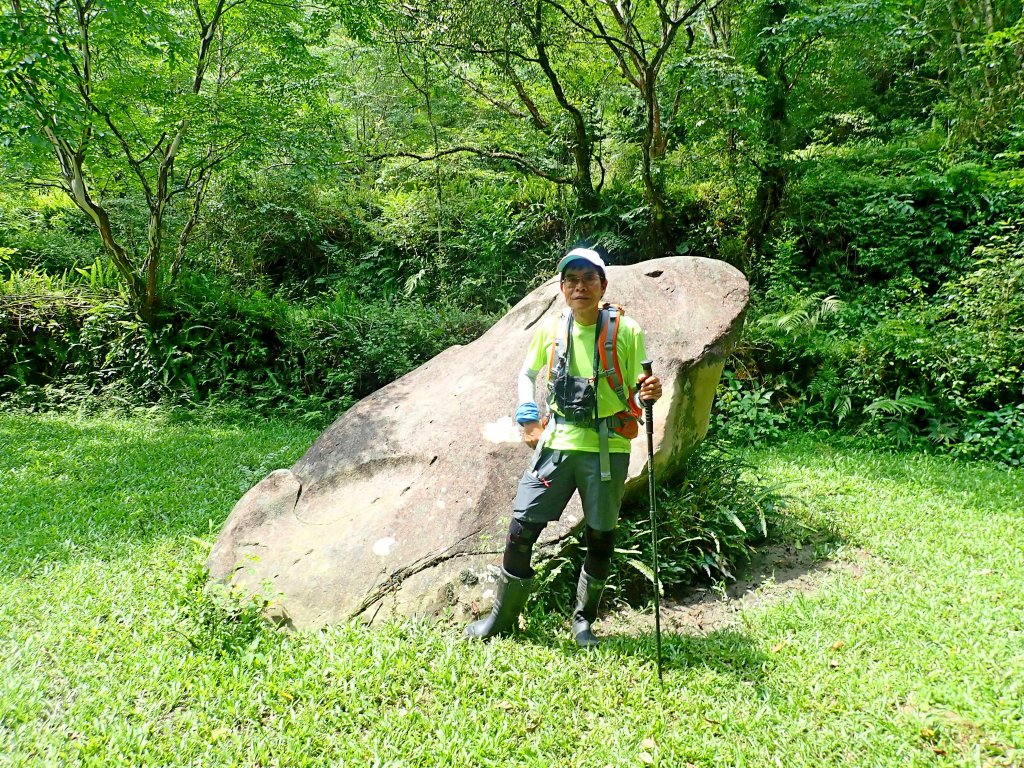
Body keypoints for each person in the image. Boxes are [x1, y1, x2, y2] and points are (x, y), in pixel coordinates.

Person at [466, 247, 662, 647]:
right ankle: (501, 620)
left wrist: (650, 395)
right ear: (561, 287)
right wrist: (527, 417)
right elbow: (527, 373)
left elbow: (640, 395)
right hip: (556, 444)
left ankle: (583, 622)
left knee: (600, 536)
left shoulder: (628, 332)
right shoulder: (552, 330)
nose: (579, 287)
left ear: (602, 286)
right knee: (521, 529)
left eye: (588, 279)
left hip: (607, 450)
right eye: (570, 280)